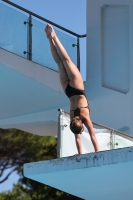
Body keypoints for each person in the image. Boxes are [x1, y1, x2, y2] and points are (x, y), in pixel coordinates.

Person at [45, 24, 99, 154]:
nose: (81, 132)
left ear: (81, 129)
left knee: (67, 60)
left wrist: (97, 150)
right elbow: (78, 139)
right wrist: (79, 153)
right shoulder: (73, 119)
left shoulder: (84, 119)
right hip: (68, 91)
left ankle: (55, 37)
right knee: (59, 62)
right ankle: (50, 39)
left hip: (77, 89)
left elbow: (92, 135)